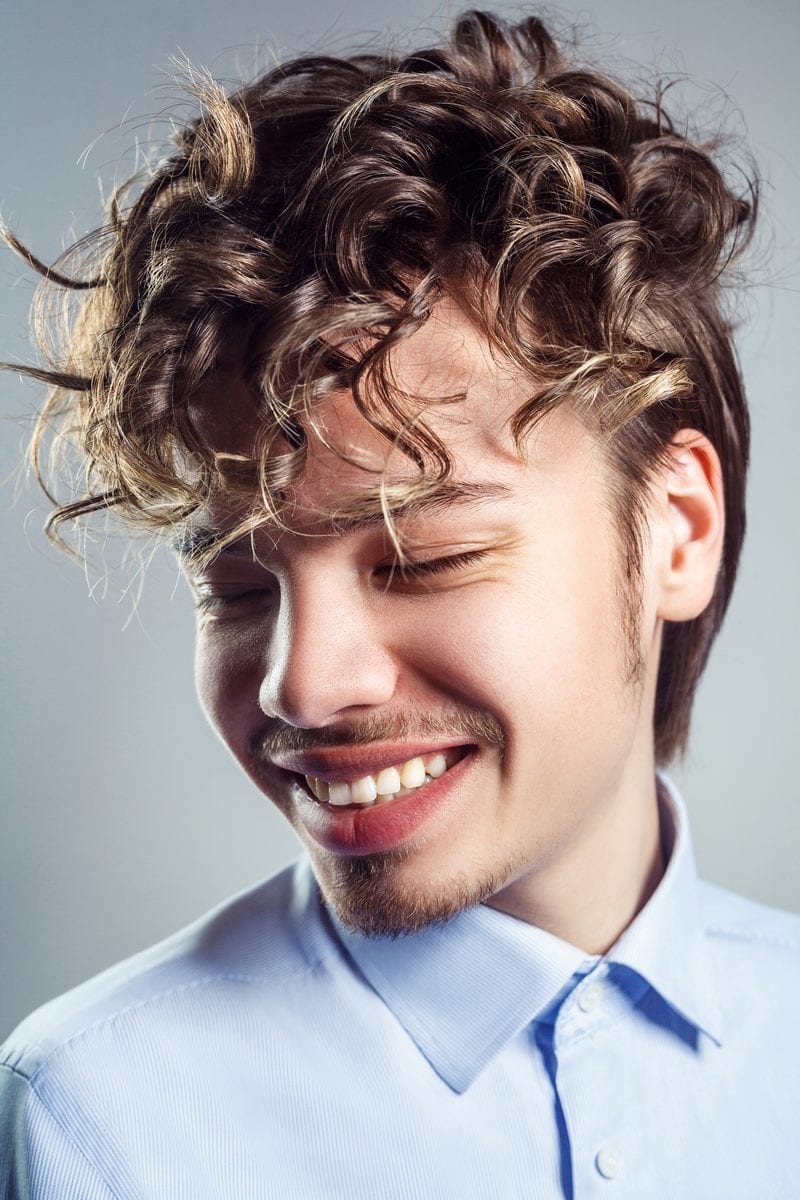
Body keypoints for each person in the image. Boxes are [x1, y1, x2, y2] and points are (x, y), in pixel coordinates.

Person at [1, 8, 797, 1197]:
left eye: (416, 558)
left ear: (674, 527)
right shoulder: (99, 1120)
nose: (298, 684)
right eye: (236, 585)